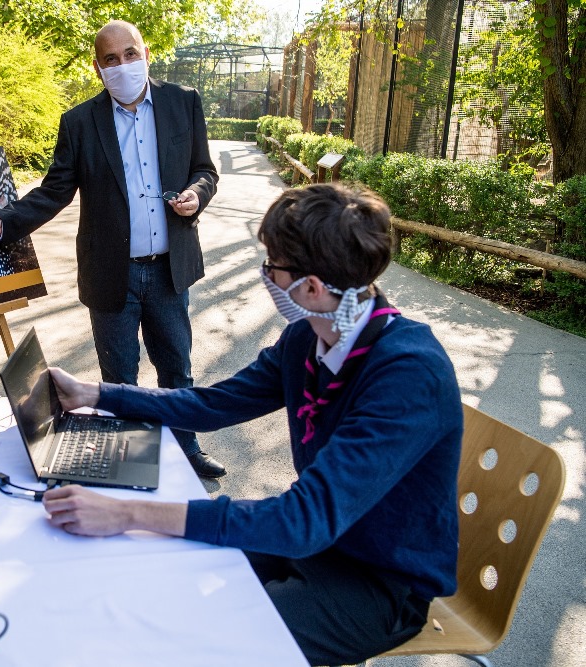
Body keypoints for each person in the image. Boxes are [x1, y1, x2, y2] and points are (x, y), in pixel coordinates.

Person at [39, 183, 463, 666]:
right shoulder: (307, 337)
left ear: (311, 288)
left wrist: (126, 513)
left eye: (272, 267)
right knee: (161, 576)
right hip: (321, 539)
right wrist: (97, 394)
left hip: (380, 579)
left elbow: (304, 520)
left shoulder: (409, 374)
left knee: (208, 638)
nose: (267, 276)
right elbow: (214, 404)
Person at [0, 20, 224, 478]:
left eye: (130, 54)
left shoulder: (184, 103)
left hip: (168, 271)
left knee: (176, 370)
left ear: (145, 54)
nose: (123, 65)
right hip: (110, 273)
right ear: (97, 67)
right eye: (111, 59)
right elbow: (54, 191)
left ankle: (186, 451)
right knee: (119, 380)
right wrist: (4, 222)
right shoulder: (79, 122)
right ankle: (129, 462)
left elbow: (205, 170)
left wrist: (197, 194)